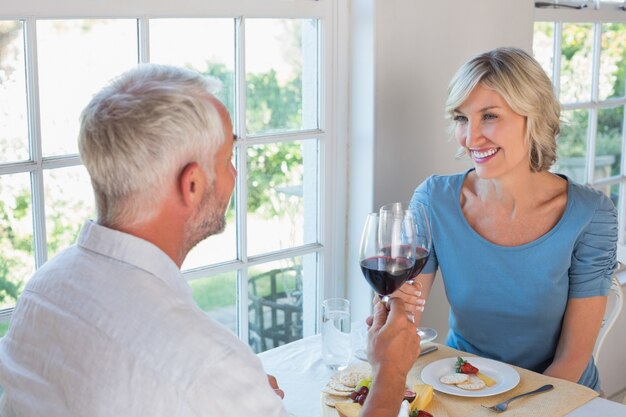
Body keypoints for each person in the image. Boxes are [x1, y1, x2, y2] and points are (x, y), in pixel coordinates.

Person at [0, 64, 420, 417]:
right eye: (227, 157)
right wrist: (389, 376)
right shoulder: (207, 365)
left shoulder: (42, 291)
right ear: (194, 184)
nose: (235, 174)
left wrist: (237, 398)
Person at [399, 47, 617, 392]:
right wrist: (389, 329)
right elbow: (404, 316)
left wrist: (508, 410)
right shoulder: (433, 201)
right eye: (461, 118)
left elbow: (573, 358)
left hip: (557, 395)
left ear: (534, 117)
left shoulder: (591, 215)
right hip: (465, 384)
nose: (471, 138)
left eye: (489, 116)